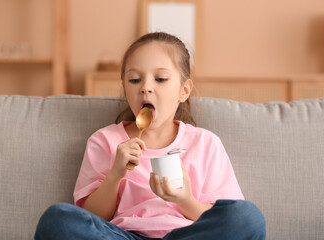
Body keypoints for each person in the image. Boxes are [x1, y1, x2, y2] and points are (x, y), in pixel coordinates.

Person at [35, 32, 266, 240]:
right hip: (123, 235)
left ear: (184, 91)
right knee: (57, 219)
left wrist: (185, 200)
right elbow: (92, 217)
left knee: (248, 217)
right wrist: (116, 174)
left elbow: (221, 217)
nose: (145, 87)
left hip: (186, 235)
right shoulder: (104, 141)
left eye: (160, 79)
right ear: (125, 87)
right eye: (134, 80)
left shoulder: (205, 144)